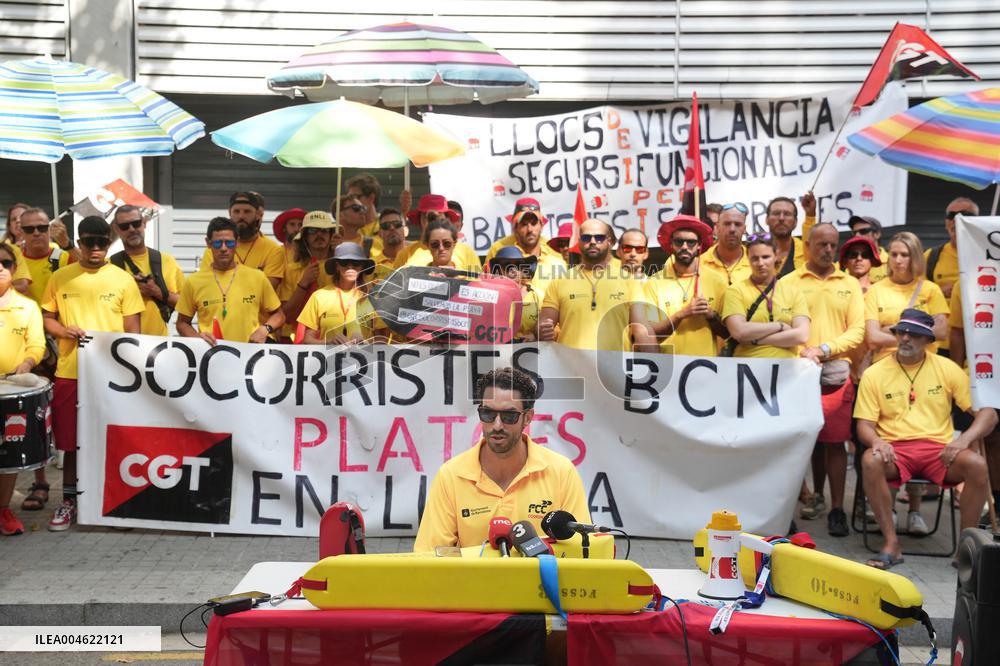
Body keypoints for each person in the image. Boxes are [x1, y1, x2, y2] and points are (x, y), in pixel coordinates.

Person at [856, 309, 998, 569]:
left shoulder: (946, 368)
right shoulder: (875, 373)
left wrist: (962, 440)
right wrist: (877, 441)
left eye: (916, 334)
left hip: (940, 451)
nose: (907, 338)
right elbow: (864, 425)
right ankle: (891, 543)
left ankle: (965, 550)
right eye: (902, 332)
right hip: (895, 450)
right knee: (870, 459)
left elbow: (988, 414)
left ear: (928, 340)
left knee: (978, 465)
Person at [41, 216, 144, 531]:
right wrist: (64, 330)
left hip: (111, 376)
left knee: (113, 438)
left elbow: (133, 331)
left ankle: (112, 501)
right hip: (71, 370)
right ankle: (69, 501)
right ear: (79, 241)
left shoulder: (123, 279)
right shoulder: (61, 277)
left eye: (102, 242)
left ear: (109, 242)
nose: (96, 248)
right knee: (71, 443)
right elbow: (47, 317)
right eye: (89, 242)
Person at [414, 367, 590, 551]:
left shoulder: (561, 472)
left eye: (509, 416)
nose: (497, 425)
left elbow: (581, 550)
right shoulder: (451, 475)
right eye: (488, 414)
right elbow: (430, 556)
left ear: (528, 418)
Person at [781, 223, 865, 536]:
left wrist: (824, 349)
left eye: (833, 245)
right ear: (808, 246)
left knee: (834, 444)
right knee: (797, 445)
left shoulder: (851, 284)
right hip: (796, 373)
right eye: (822, 244)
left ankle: (837, 509)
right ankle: (786, 510)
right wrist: (804, 352)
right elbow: (780, 322)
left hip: (834, 374)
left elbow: (857, 330)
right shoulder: (789, 281)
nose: (828, 250)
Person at [177, 217, 284, 345]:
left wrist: (264, 329)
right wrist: (198, 339)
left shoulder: (257, 277)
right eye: (217, 243)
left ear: (237, 242)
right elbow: (182, 323)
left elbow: (279, 315)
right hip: (212, 355)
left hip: (249, 355)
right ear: (208, 243)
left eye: (229, 243)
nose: (223, 248)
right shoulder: (194, 281)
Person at [0, 243, 46, 536]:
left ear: (14, 269)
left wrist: (28, 362)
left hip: (10, 390)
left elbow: (37, 344)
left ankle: (4, 510)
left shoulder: (28, 306)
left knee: (8, 454)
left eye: (5, 263)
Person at [539, 219, 641, 351]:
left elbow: (641, 331)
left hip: (614, 368)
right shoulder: (559, 281)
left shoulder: (630, 281)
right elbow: (544, 324)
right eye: (586, 237)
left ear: (609, 241)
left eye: (599, 237)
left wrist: (656, 366)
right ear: (579, 241)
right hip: (570, 366)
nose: (592, 241)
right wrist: (542, 331)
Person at [633, 215, 727, 356]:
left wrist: (710, 315)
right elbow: (649, 333)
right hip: (669, 367)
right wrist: (682, 314)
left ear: (699, 245)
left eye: (691, 242)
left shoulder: (717, 280)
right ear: (671, 244)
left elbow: (729, 333)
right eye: (679, 241)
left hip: (707, 367)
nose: (684, 247)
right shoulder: (654, 282)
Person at [864, 231, 948, 364]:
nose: (898, 260)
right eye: (893, 254)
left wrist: (889, 330)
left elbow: (942, 332)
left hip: (924, 364)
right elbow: (873, 338)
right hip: (885, 365)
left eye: (904, 255)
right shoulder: (875, 290)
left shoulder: (931, 289)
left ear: (915, 257)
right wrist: (917, 337)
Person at [722, 234, 810, 358]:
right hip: (748, 368)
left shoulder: (793, 292)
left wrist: (756, 340)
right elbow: (739, 332)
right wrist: (780, 326)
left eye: (766, 257)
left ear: (776, 255)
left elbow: (802, 335)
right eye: (755, 258)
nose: (760, 263)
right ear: (748, 258)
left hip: (786, 371)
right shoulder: (735, 291)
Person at [109, 205, 184, 337]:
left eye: (136, 223)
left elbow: (185, 304)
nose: (132, 229)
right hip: (120, 346)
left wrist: (155, 291)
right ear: (116, 229)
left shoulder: (166, 261)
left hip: (158, 347)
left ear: (144, 223)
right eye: (125, 226)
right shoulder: (109, 265)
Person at [926, 197, 979, 357]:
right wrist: (938, 291)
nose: (957, 219)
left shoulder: (988, 255)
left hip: (979, 343)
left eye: (964, 214)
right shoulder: (931, 256)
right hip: (939, 344)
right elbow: (913, 294)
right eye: (951, 215)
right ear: (946, 222)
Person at [200, 192, 285, 289]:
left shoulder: (273, 250)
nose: (241, 216)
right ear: (229, 213)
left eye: (247, 211)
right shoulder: (214, 249)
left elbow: (266, 291)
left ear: (258, 214)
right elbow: (208, 286)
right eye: (236, 211)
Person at [298, 242, 375, 345]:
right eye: (345, 262)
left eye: (356, 263)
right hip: (327, 359)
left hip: (366, 359)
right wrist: (328, 343)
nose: (350, 267)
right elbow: (306, 340)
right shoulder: (319, 296)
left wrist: (365, 343)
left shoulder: (373, 298)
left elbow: (384, 340)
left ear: (362, 267)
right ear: (337, 266)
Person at [279, 211, 338, 342]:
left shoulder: (341, 268)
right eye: (313, 230)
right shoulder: (292, 270)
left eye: (324, 230)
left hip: (335, 337)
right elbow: (286, 315)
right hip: (296, 338)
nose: (319, 234)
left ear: (331, 235)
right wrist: (303, 284)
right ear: (304, 237)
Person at [485, 198, 567, 288]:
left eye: (534, 223)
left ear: (542, 226)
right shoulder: (498, 249)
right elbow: (488, 286)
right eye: (524, 224)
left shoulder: (555, 253)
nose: (530, 229)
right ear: (515, 228)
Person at [395, 195, 481, 272]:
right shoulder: (405, 254)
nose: (432, 222)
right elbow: (395, 287)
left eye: (437, 217)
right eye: (427, 217)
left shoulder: (467, 253)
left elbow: (477, 285)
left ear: (447, 219)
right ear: (420, 220)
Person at [16, 207, 72, 304]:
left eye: (42, 228)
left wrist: (67, 244)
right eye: (29, 229)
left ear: (49, 229)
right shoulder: (11, 262)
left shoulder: (64, 257)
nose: (36, 233)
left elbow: (91, 266)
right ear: (21, 232)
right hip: (27, 317)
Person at [487, 246, 542, 342]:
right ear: (499, 270)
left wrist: (536, 336)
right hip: (498, 353)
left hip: (529, 352)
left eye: (517, 264)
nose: (512, 269)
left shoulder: (537, 295)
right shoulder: (489, 296)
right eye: (507, 265)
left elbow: (552, 327)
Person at [700, 202, 751, 286]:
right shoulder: (699, 262)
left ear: (744, 229)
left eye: (737, 224)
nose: (732, 229)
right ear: (717, 226)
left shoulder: (756, 262)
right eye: (727, 224)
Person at [765, 197, 806, 278]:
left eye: (787, 214)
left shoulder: (806, 251)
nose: (781, 218)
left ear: (795, 222)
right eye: (776, 213)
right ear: (767, 219)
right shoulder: (754, 251)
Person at [371, 208, 407, 282]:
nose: (392, 228)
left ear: (405, 230)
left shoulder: (417, 257)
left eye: (397, 224)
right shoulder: (371, 265)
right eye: (386, 226)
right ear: (379, 234)